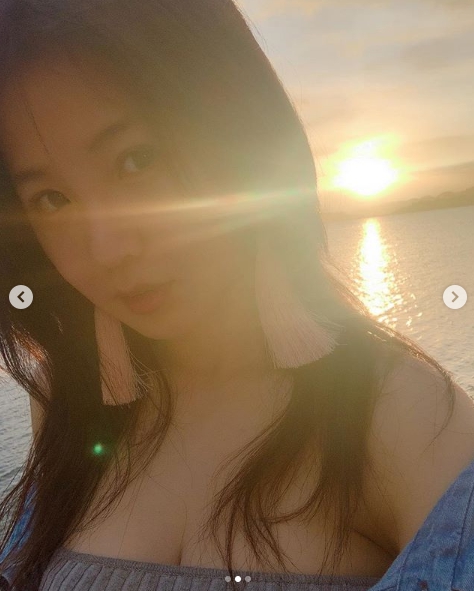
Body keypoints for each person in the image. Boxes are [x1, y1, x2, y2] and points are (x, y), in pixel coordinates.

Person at [0, 1, 473, 590]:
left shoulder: (402, 418)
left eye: (136, 160)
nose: (107, 248)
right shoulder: (66, 401)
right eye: (51, 199)